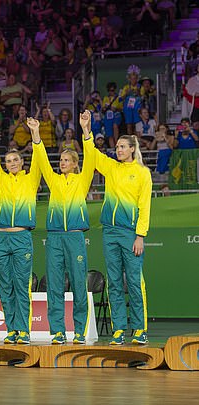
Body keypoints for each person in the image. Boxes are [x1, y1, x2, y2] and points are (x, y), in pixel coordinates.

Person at [31, 111, 96, 345]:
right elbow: (42, 161)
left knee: (79, 284)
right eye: (61, 160)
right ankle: (57, 331)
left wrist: (86, 130)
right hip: (55, 238)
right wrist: (36, 133)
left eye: (67, 160)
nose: (62, 163)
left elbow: (91, 157)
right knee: (55, 285)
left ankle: (79, 331)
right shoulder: (54, 180)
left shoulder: (83, 179)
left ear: (75, 164)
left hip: (75, 237)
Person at [88, 116, 153, 346]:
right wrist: (87, 129)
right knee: (114, 282)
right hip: (110, 232)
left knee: (134, 282)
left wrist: (140, 235)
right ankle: (118, 330)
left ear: (132, 149)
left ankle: (139, 329)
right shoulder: (112, 167)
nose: (118, 150)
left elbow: (145, 206)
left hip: (130, 233)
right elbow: (94, 155)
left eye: (122, 147)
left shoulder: (143, 173)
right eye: (116, 147)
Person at [0, 119, 41, 345]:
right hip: (1, 238)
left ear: (22, 161)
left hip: (21, 237)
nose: (12, 163)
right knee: (5, 286)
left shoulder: (31, 178)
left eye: (16, 159)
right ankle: (11, 330)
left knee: (21, 285)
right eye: (8, 161)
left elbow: (39, 159)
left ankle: (24, 330)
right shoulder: (2, 178)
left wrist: (35, 132)